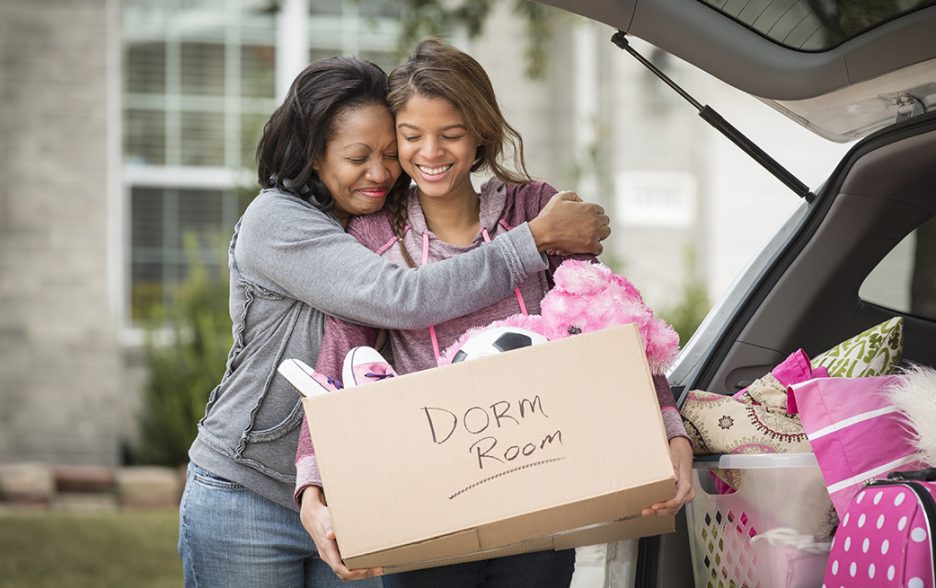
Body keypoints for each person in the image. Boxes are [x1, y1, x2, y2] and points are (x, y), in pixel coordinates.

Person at [177, 55, 610, 588]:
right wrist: (534, 239)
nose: (380, 172)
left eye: (388, 153)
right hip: (251, 494)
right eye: (358, 157)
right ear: (313, 157)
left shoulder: (380, 220)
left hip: (354, 494)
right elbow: (400, 297)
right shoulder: (277, 221)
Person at [294, 40, 695, 587]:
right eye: (411, 137)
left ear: (481, 131)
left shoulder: (533, 210)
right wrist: (312, 491)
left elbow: (612, 321)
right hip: (428, 515)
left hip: (543, 498)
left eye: (451, 135)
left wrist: (671, 435)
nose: (430, 152)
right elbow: (337, 358)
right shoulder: (374, 235)